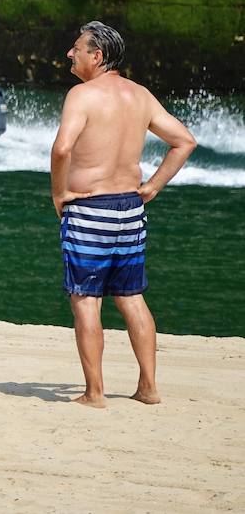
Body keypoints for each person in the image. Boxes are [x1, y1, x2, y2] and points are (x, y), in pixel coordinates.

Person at [50, 21, 195, 409]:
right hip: (129, 210)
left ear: (96, 57)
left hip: (90, 209)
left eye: (76, 48)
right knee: (132, 298)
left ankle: (95, 393)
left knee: (85, 300)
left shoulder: (82, 95)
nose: (70, 53)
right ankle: (148, 387)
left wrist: (59, 193)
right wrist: (152, 186)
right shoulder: (141, 95)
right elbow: (184, 141)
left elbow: (62, 149)